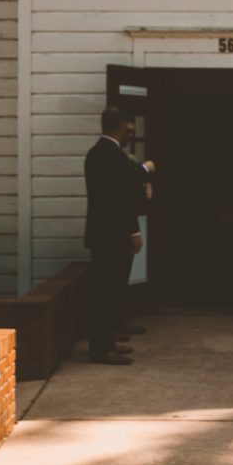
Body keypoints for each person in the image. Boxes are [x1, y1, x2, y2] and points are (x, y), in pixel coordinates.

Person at [84, 108, 151, 364]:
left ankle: (107, 342)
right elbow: (120, 199)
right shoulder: (112, 156)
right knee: (106, 292)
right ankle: (101, 349)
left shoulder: (97, 154)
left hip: (102, 235)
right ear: (121, 125)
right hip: (112, 236)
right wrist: (134, 231)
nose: (132, 130)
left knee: (107, 292)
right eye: (129, 126)